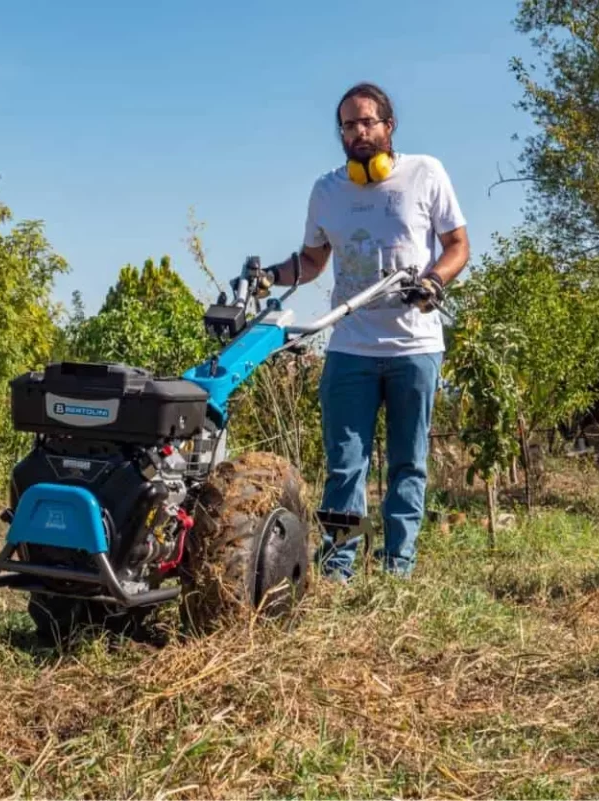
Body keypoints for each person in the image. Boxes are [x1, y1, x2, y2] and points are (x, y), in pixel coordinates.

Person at [258, 81, 469, 579]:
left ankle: (399, 566)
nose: (358, 132)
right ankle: (339, 566)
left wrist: (434, 281)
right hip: (350, 344)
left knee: (407, 463)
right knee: (345, 464)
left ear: (389, 126)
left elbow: (457, 245)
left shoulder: (426, 173)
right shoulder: (327, 190)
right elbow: (311, 261)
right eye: (349, 125)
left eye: (367, 121)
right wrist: (269, 275)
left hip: (414, 345)